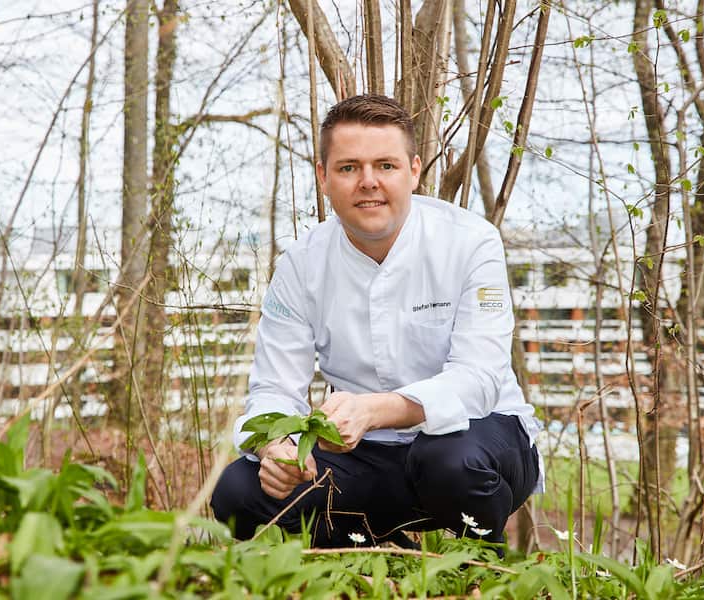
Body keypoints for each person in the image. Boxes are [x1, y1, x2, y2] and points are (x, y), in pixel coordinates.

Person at [211, 94, 541, 548]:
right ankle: (364, 559)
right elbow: (272, 389)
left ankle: (480, 568)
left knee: (447, 458)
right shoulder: (301, 263)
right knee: (238, 492)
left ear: (414, 170)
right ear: (324, 178)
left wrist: (373, 410)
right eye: (348, 168)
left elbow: (478, 380)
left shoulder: (470, 242)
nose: (368, 182)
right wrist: (277, 449)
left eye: (385, 165)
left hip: (480, 441)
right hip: (364, 461)